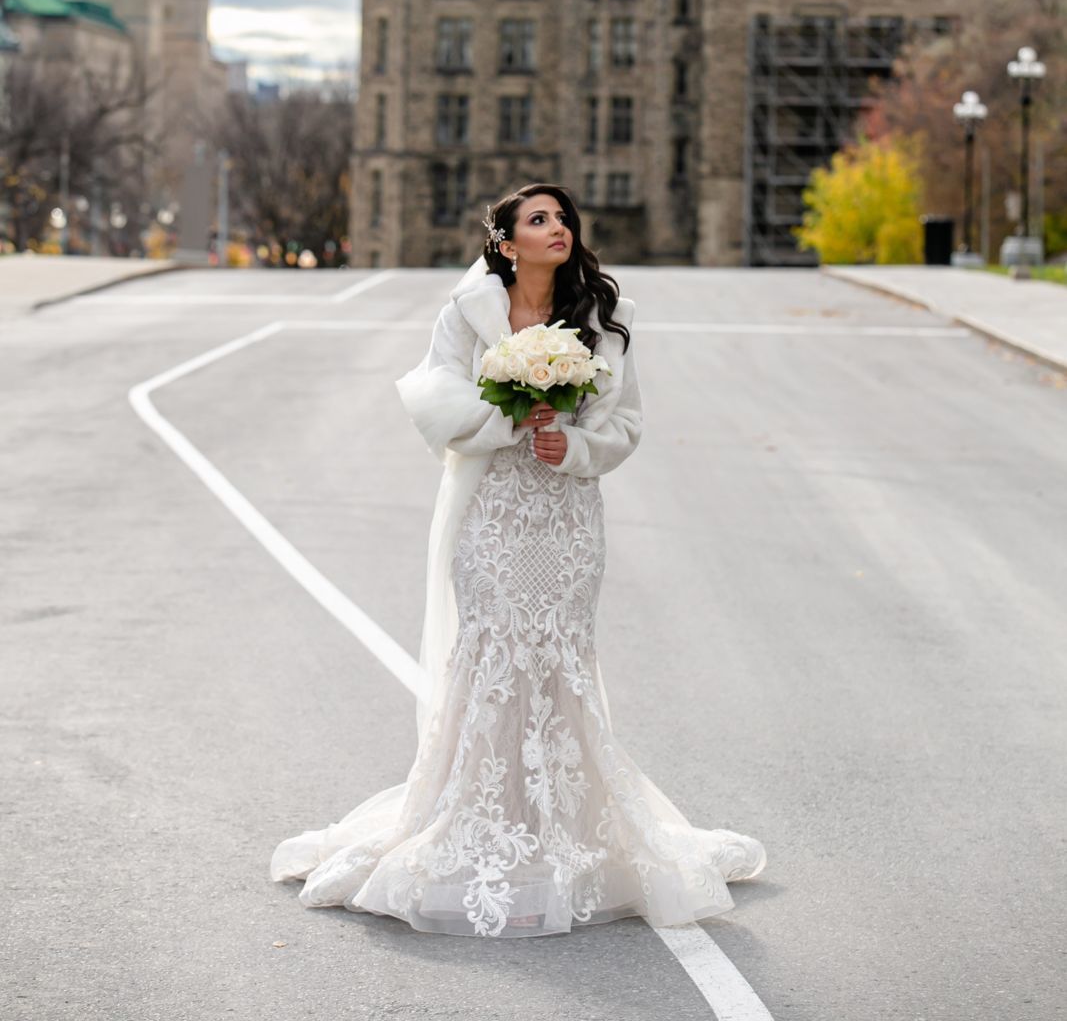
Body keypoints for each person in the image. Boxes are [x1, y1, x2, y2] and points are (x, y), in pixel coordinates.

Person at [271, 182, 767, 936]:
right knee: (494, 652)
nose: (557, 227)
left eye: (563, 217)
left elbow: (625, 422)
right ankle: (472, 816)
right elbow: (432, 399)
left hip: (566, 517)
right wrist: (506, 415)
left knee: (560, 657)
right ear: (505, 242)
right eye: (538, 219)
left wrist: (571, 444)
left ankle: (563, 822)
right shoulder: (464, 313)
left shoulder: (605, 319)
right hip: (492, 514)